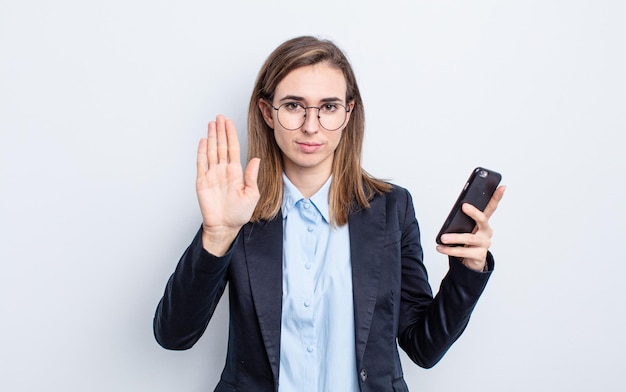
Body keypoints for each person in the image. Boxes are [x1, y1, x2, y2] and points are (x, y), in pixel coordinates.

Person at [154, 35, 505, 392]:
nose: (311, 125)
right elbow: (174, 335)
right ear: (267, 113)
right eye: (293, 105)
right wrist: (218, 234)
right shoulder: (239, 208)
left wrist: (468, 271)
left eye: (329, 107)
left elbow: (423, 347)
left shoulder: (391, 209)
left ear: (348, 113)